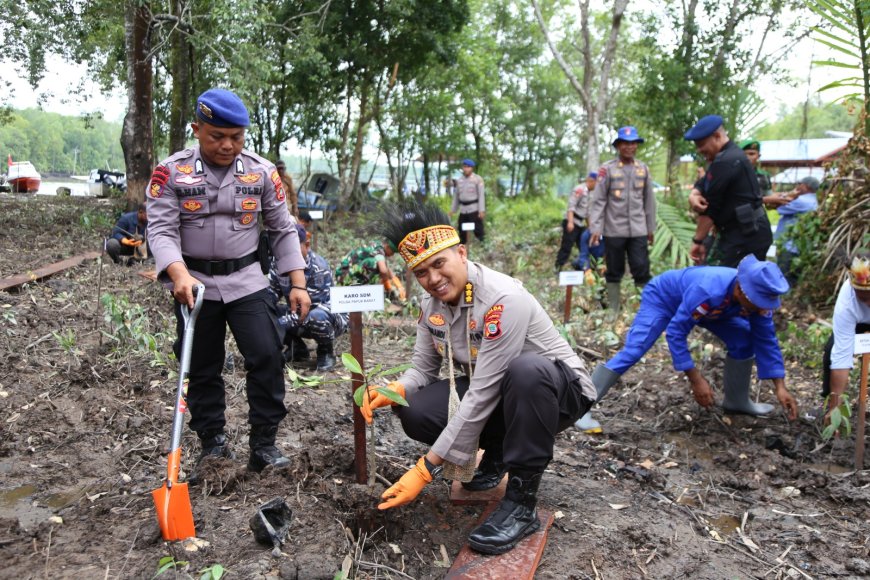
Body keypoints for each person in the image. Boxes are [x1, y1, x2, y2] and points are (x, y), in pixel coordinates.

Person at [361, 200, 596, 555]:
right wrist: (396, 389)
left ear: (461, 252)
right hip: (504, 392)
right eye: (422, 272)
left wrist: (425, 470)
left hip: (559, 393)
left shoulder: (502, 299)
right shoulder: (430, 306)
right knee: (416, 409)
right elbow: (423, 369)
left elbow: (483, 392)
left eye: (439, 264)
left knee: (525, 370)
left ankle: (521, 502)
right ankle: (499, 451)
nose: (434, 279)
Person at [147, 88, 311, 479]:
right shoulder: (171, 172)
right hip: (194, 283)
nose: (227, 145)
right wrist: (178, 273)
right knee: (202, 364)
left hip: (247, 279)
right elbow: (162, 230)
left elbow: (283, 229)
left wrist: (298, 282)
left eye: (236, 137)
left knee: (267, 354)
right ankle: (213, 445)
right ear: (197, 130)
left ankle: (264, 444)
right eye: (217, 136)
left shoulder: (261, 171)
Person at [575, 255, 799, 433]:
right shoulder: (708, 290)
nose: (763, 309)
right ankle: (580, 407)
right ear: (741, 290)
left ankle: (737, 400)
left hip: (717, 311)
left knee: (744, 340)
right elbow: (675, 332)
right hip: (663, 299)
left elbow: (766, 340)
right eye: (759, 303)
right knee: (635, 350)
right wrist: (696, 379)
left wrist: (780, 387)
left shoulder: (756, 300)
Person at [685, 115, 772, 267]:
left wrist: (697, 241)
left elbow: (710, 208)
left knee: (734, 284)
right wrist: (694, 193)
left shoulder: (727, 161)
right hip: (740, 232)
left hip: (746, 235)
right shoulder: (725, 157)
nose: (699, 150)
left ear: (717, 136)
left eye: (701, 144)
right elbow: (705, 182)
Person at [587, 126, 656, 310]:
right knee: (614, 270)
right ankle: (614, 309)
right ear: (618, 146)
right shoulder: (607, 169)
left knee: (641, 268)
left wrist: (650, 228)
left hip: (638, 230)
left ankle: (644, 309)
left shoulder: (643, 169)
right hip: (614, 229)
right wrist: (596, 228)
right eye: (625, 143)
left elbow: (649, 201)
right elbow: (599, 200)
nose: (629, 147)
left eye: (633, 143)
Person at [269, 224, 348, 372]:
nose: (288, 255)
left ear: (307, 245)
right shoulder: (278, 263)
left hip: (327, 315)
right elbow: (271, 293)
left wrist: (279, 324)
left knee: (315, 317)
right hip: (297, 313)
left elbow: (309, 309)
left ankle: (325, 350)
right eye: (284, 250)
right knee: (265, 311)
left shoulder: (318, 268)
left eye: (293, 249)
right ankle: (296, 348)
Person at [821, 253, 870, 418]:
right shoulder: (847, 299)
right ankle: (830, 402)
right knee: (831, 350)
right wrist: (835, 409)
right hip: (859, 321)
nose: (868, 303)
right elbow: (842, 354)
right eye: (863, 298)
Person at [763, 176, 820, 284]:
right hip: (796, 246)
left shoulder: (803, 201)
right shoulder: (812, 200)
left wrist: (789, 194)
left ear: (805, 186)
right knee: (789, 278)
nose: (797, 186)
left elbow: (775, 205)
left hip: (790, 247)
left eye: (799, 183)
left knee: (784, 278)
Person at [334, 241, 406, 303]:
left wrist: (399, 286)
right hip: (345, 275)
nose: (392, 255)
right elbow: (383, 271)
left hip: (345, 273)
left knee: (378, 264)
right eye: (392, 252)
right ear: (387, 247)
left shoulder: (377, 246)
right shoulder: (379, 252)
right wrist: (388, 287)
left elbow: (387, 269)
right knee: (373, 263)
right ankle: (359, 288)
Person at [555, 172, 597, 273]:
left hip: (580, 224)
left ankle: (582, 267)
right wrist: (570, 222)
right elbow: (571, 206)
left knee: (584, 246)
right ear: (591, 181)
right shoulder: (580, 190)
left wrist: (590, 228)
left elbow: (587, 213)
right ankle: (558, 268)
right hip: (572, 221)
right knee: (566, 246)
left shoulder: (590, 194)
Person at [450, 159, 485, 244]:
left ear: (472, 168)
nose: (466, 169)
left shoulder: (477, 179)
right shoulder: (460, 180)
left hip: (474, 209)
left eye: (468, 167)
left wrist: (481, 210)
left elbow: (481, 196)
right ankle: (463, 247)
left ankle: (483, 245)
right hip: (463, 209)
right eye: (464, 167)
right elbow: (456, 197)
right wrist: (453, 210)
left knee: (479, 230)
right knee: (461, 230)